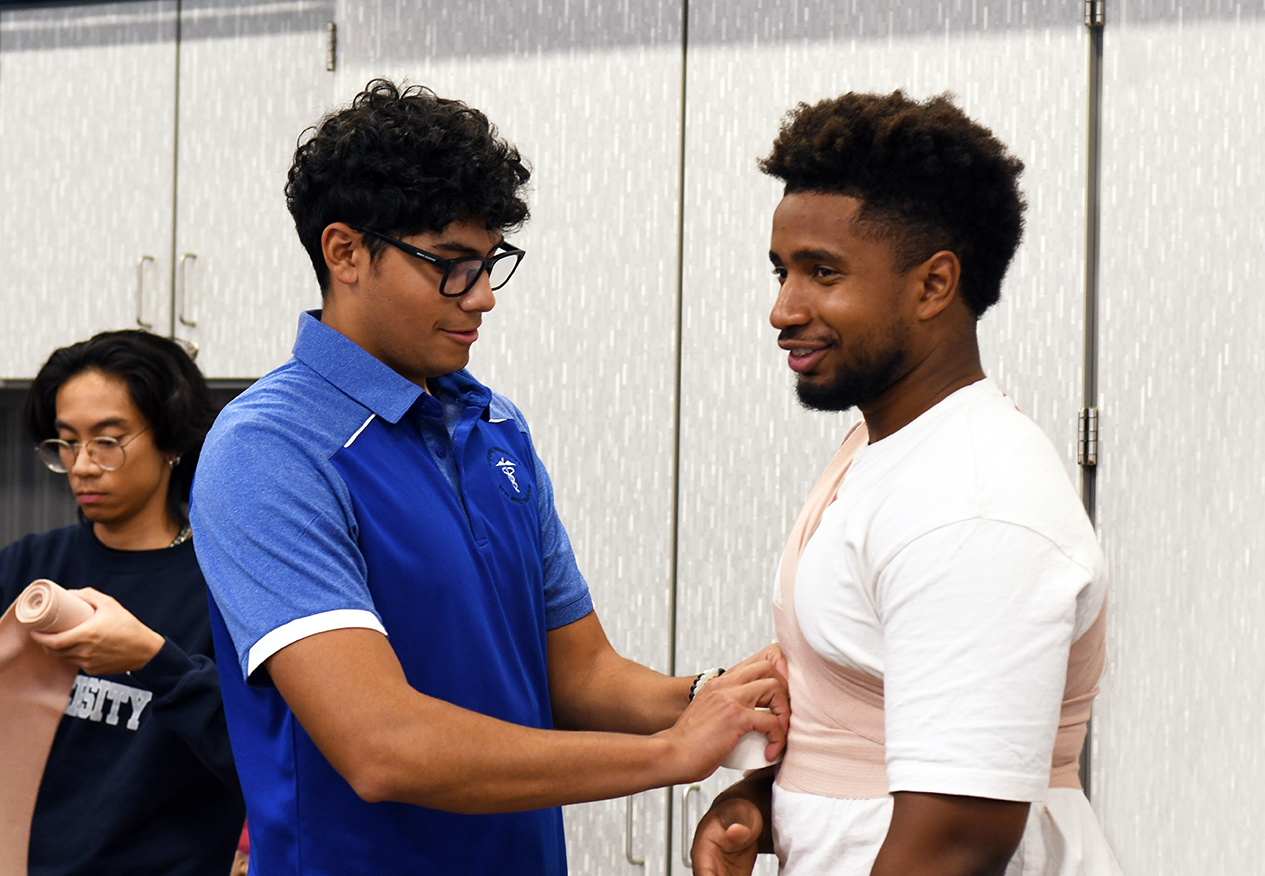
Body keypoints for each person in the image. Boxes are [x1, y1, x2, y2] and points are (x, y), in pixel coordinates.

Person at [189, 78, 788, 876]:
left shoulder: (492, 423)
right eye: (449, 265)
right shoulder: (270, 450)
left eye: (490, 263)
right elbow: (383, 746)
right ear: (344, 252)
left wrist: (713, 698)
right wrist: (672, 755)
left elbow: (580, 674)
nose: (480, 298)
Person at [690, 91, 1122, 876]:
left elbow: (955, 841)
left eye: (822, 273)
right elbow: (876, 726)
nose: (782, 309)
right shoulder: (886, 446)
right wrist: (764, 799)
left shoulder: (974, 502)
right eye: (781, 271)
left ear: (932, 286)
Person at [0, 330, 245, 876]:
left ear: (172, 442)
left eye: (107, 440)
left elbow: (264, 756)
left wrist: (155, 659)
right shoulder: (28, 569)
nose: (83, 464)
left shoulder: (228, 586)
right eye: (66, 443)